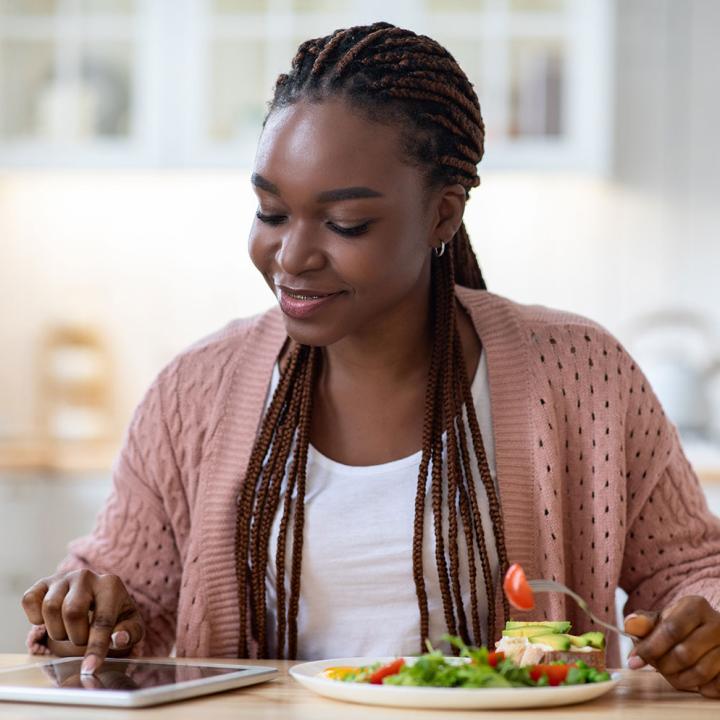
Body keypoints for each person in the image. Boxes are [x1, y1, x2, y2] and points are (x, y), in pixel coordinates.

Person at [21, 22, 720, 697]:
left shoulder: (581, 374)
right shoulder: (195, 390)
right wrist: (87, 617)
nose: (292, 256)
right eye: (270, 212)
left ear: (443, 214)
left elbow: (691, 570)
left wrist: (703, 625)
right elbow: (123, 606)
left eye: (346, 223)